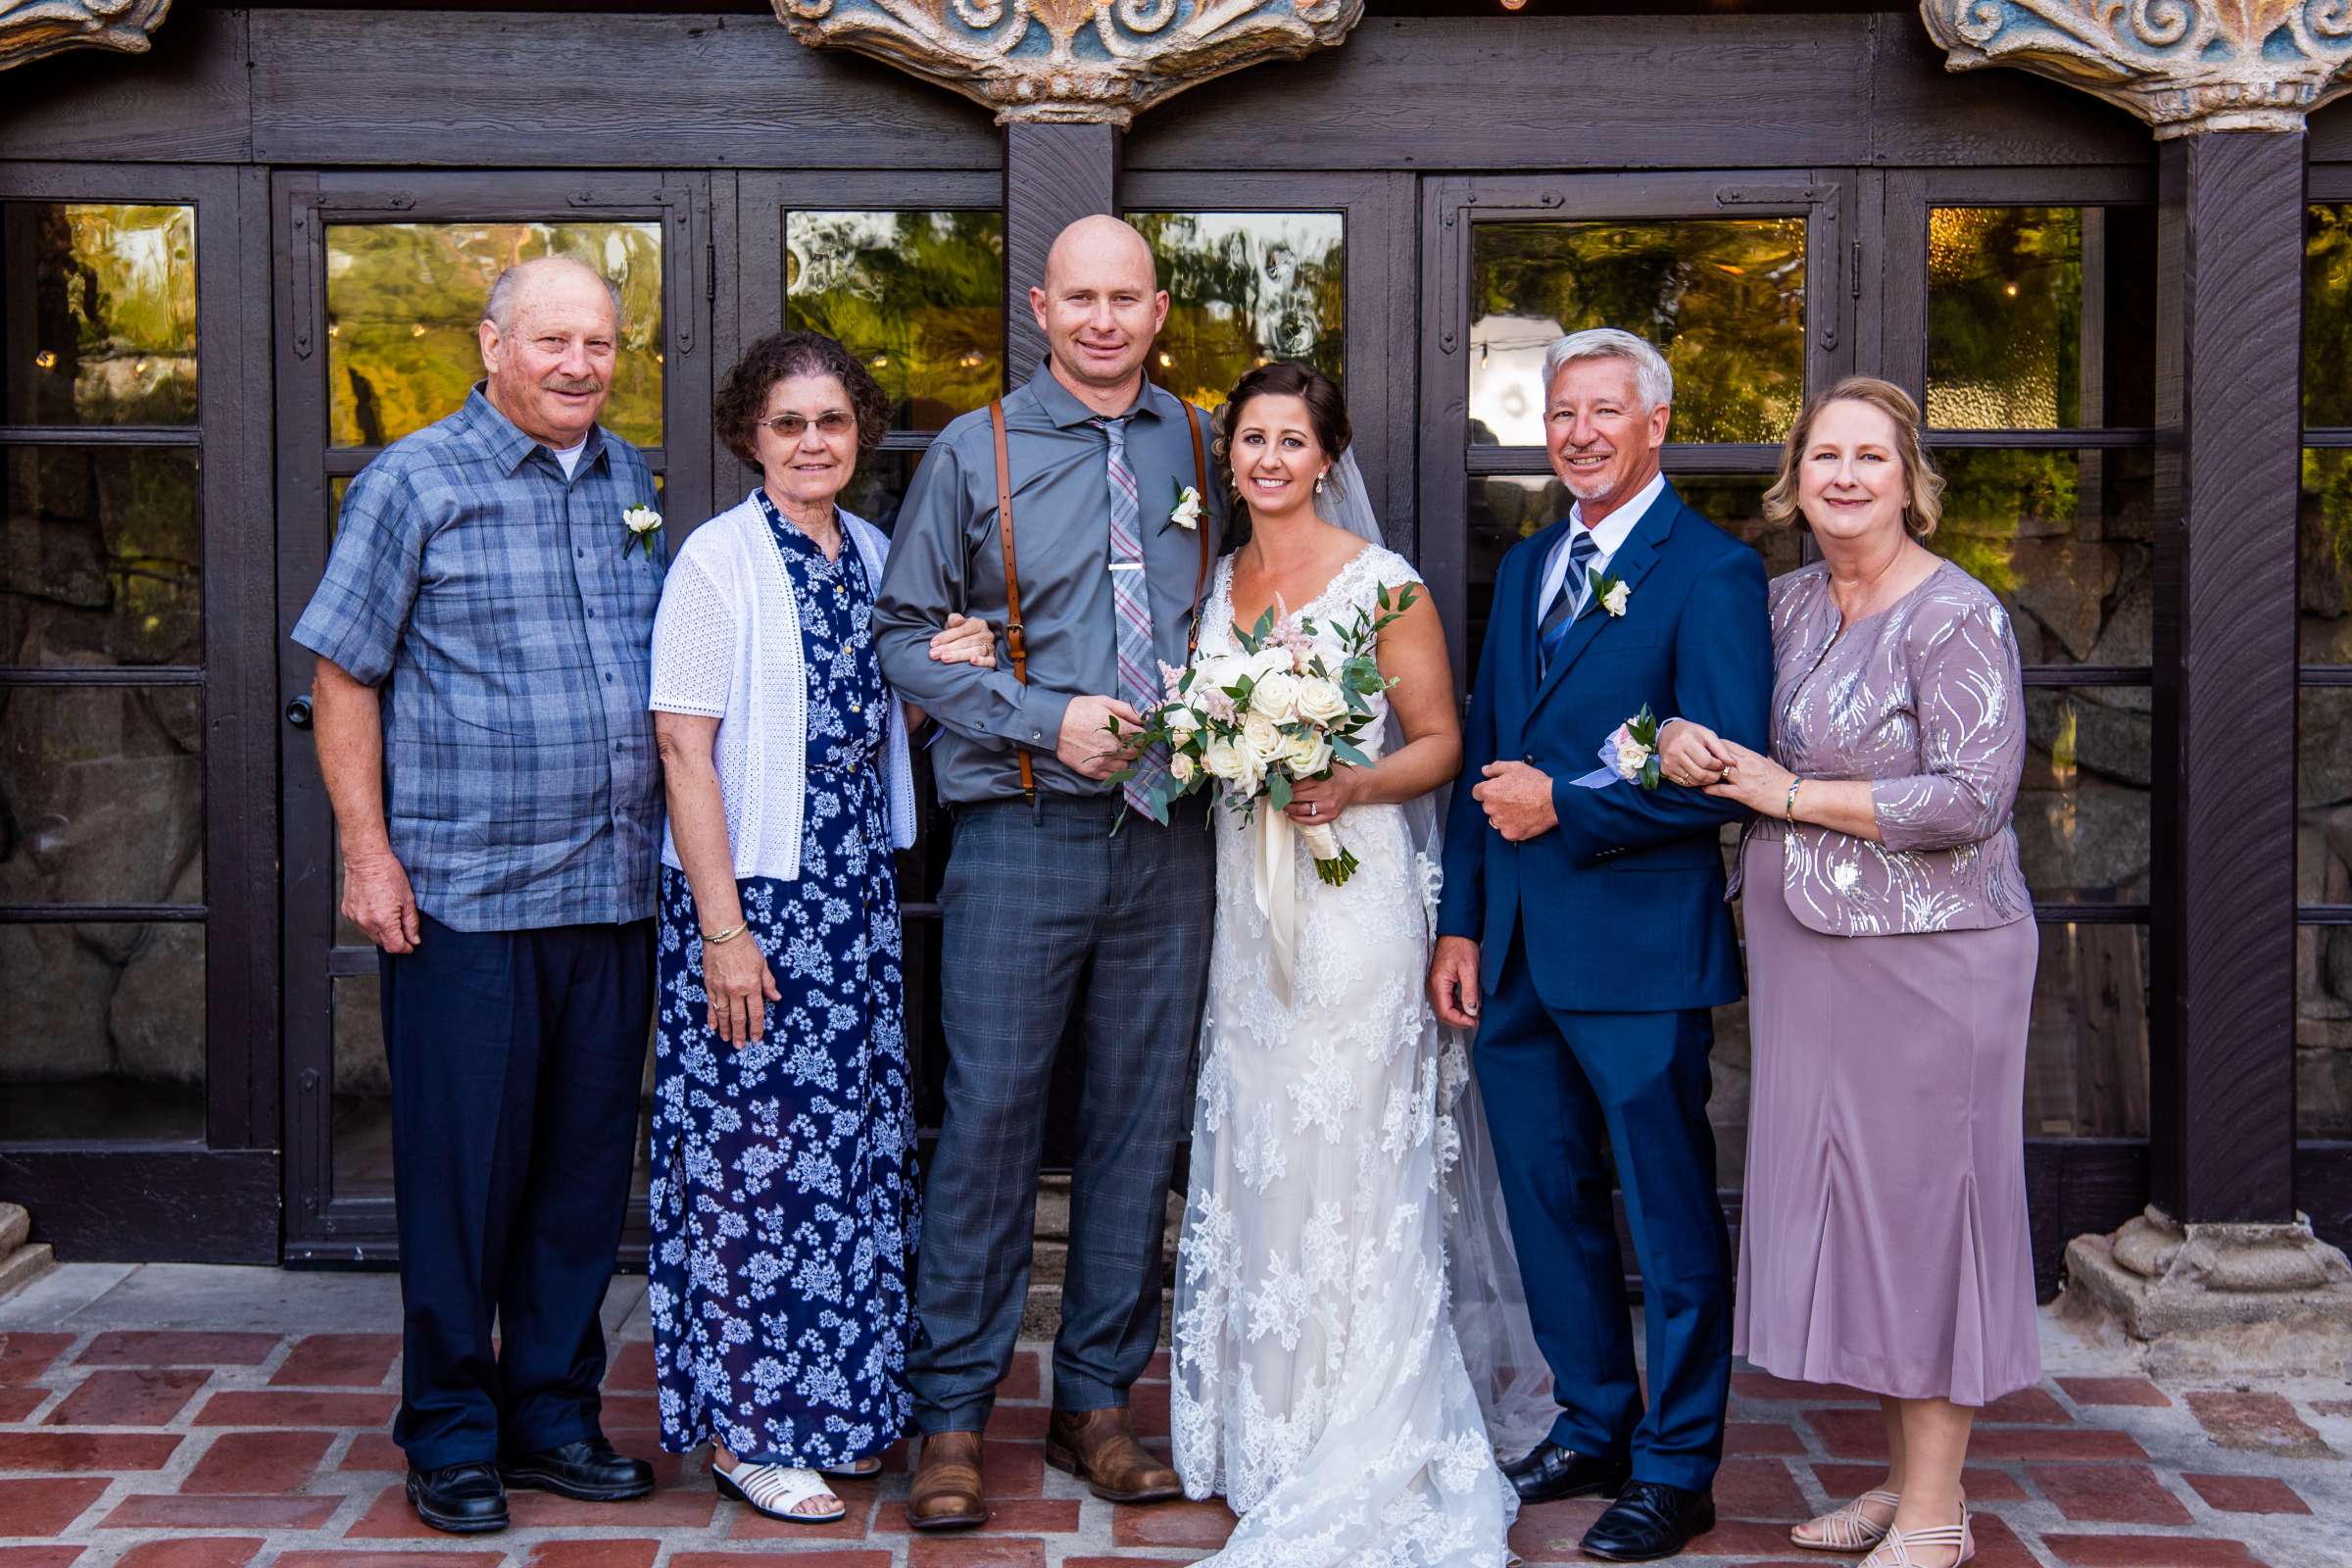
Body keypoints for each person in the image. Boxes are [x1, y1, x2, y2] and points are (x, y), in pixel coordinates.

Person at [292, 255, 664, 1536]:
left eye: (600, 344)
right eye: (553, 340)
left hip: (614, 890)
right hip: (468, 895)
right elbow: (344, 673)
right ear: (492, 344)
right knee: (463, 1181)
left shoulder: (630, 481)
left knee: (577, 1178)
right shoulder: (414, 482)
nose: (579, 364)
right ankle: (450, 1430)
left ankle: (551, 1415)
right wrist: (365, 851)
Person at [872, 215, 1228, 1529]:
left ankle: (1095, 1406)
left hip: (1170, 838)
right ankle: (953, 1417)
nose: (1100, 319)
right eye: (1079, 297)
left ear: (1158, 309)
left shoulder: (1202, 443)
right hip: (1022, 831)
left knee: (1139, 1131)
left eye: (1123, 298)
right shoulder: (977, 450)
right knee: (990, 1128)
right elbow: (903, 638)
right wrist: (1040, 715)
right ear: (1040, 305)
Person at [1661, 377, 2036, 1568]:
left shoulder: (1957, 614)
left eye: (1871, 456)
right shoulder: (1781, 605)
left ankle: (1934, 1513)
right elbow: (1728, 725)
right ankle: (1909, 1479)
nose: (1846, 475)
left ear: (1909, 478)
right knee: (1876, 1218)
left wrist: (1790, 796)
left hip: (1933, 965)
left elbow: (1974, 799)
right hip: (1812, 964)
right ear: (1797, 475)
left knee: (1930, 1215)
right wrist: (1681, 738)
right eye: (1826, 454)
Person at [1167, 362, 1534, 1565]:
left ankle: (1363, 1421)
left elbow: (1441, 742)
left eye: (1292, 439)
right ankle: (1262, 1421)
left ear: (1329, 455)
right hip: (1247, 901)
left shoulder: (1386, 587)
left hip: (1353, 894)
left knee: (1353, 1150)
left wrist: (1347, 780)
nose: (1269, 458)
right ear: (1229, 456)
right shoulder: (1215, 581)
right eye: (1251, 440)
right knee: (1262, 1138)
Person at [1428, 327, 1772, 1563]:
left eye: (1603, 412)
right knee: (1548, 1200)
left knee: (1666, 1213)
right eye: (1561, 412)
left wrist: (1570, 805)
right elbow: (1485, 751)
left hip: (1636, 953)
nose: (1577, 432)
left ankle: (1680, 1467)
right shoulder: (1526, 566)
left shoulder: (1714, 572)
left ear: (1657, 423)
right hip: (1515, 945)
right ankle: (1596, 1418)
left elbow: (1727, 775)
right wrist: (1462, 916)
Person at [643, 330, 995, 1525]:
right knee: (751, 1165)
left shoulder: (877, 554)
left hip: (852, 904)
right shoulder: (716, 560)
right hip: (754, 905)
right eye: (788, 423)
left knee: (844, 1161)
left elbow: (881, 722)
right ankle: (750, 1428)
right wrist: (724, 930)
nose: (811, 442)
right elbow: (685, 749)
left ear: (860, 434)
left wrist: (949, 662)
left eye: (832, 422)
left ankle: (835, 1410)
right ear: (752, 435)